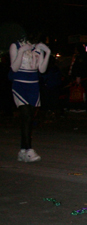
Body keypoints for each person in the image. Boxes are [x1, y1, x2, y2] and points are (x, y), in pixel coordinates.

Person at [10, 33, 50, 162]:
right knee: (26, 116)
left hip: (33, 86)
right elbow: (14, 68)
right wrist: (21, 51)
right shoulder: (15, 46)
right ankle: (28, 149)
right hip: (20, 85)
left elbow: (42, 70)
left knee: (29, 118)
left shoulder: (37, 48)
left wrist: (47, 52)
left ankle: (23, 150)